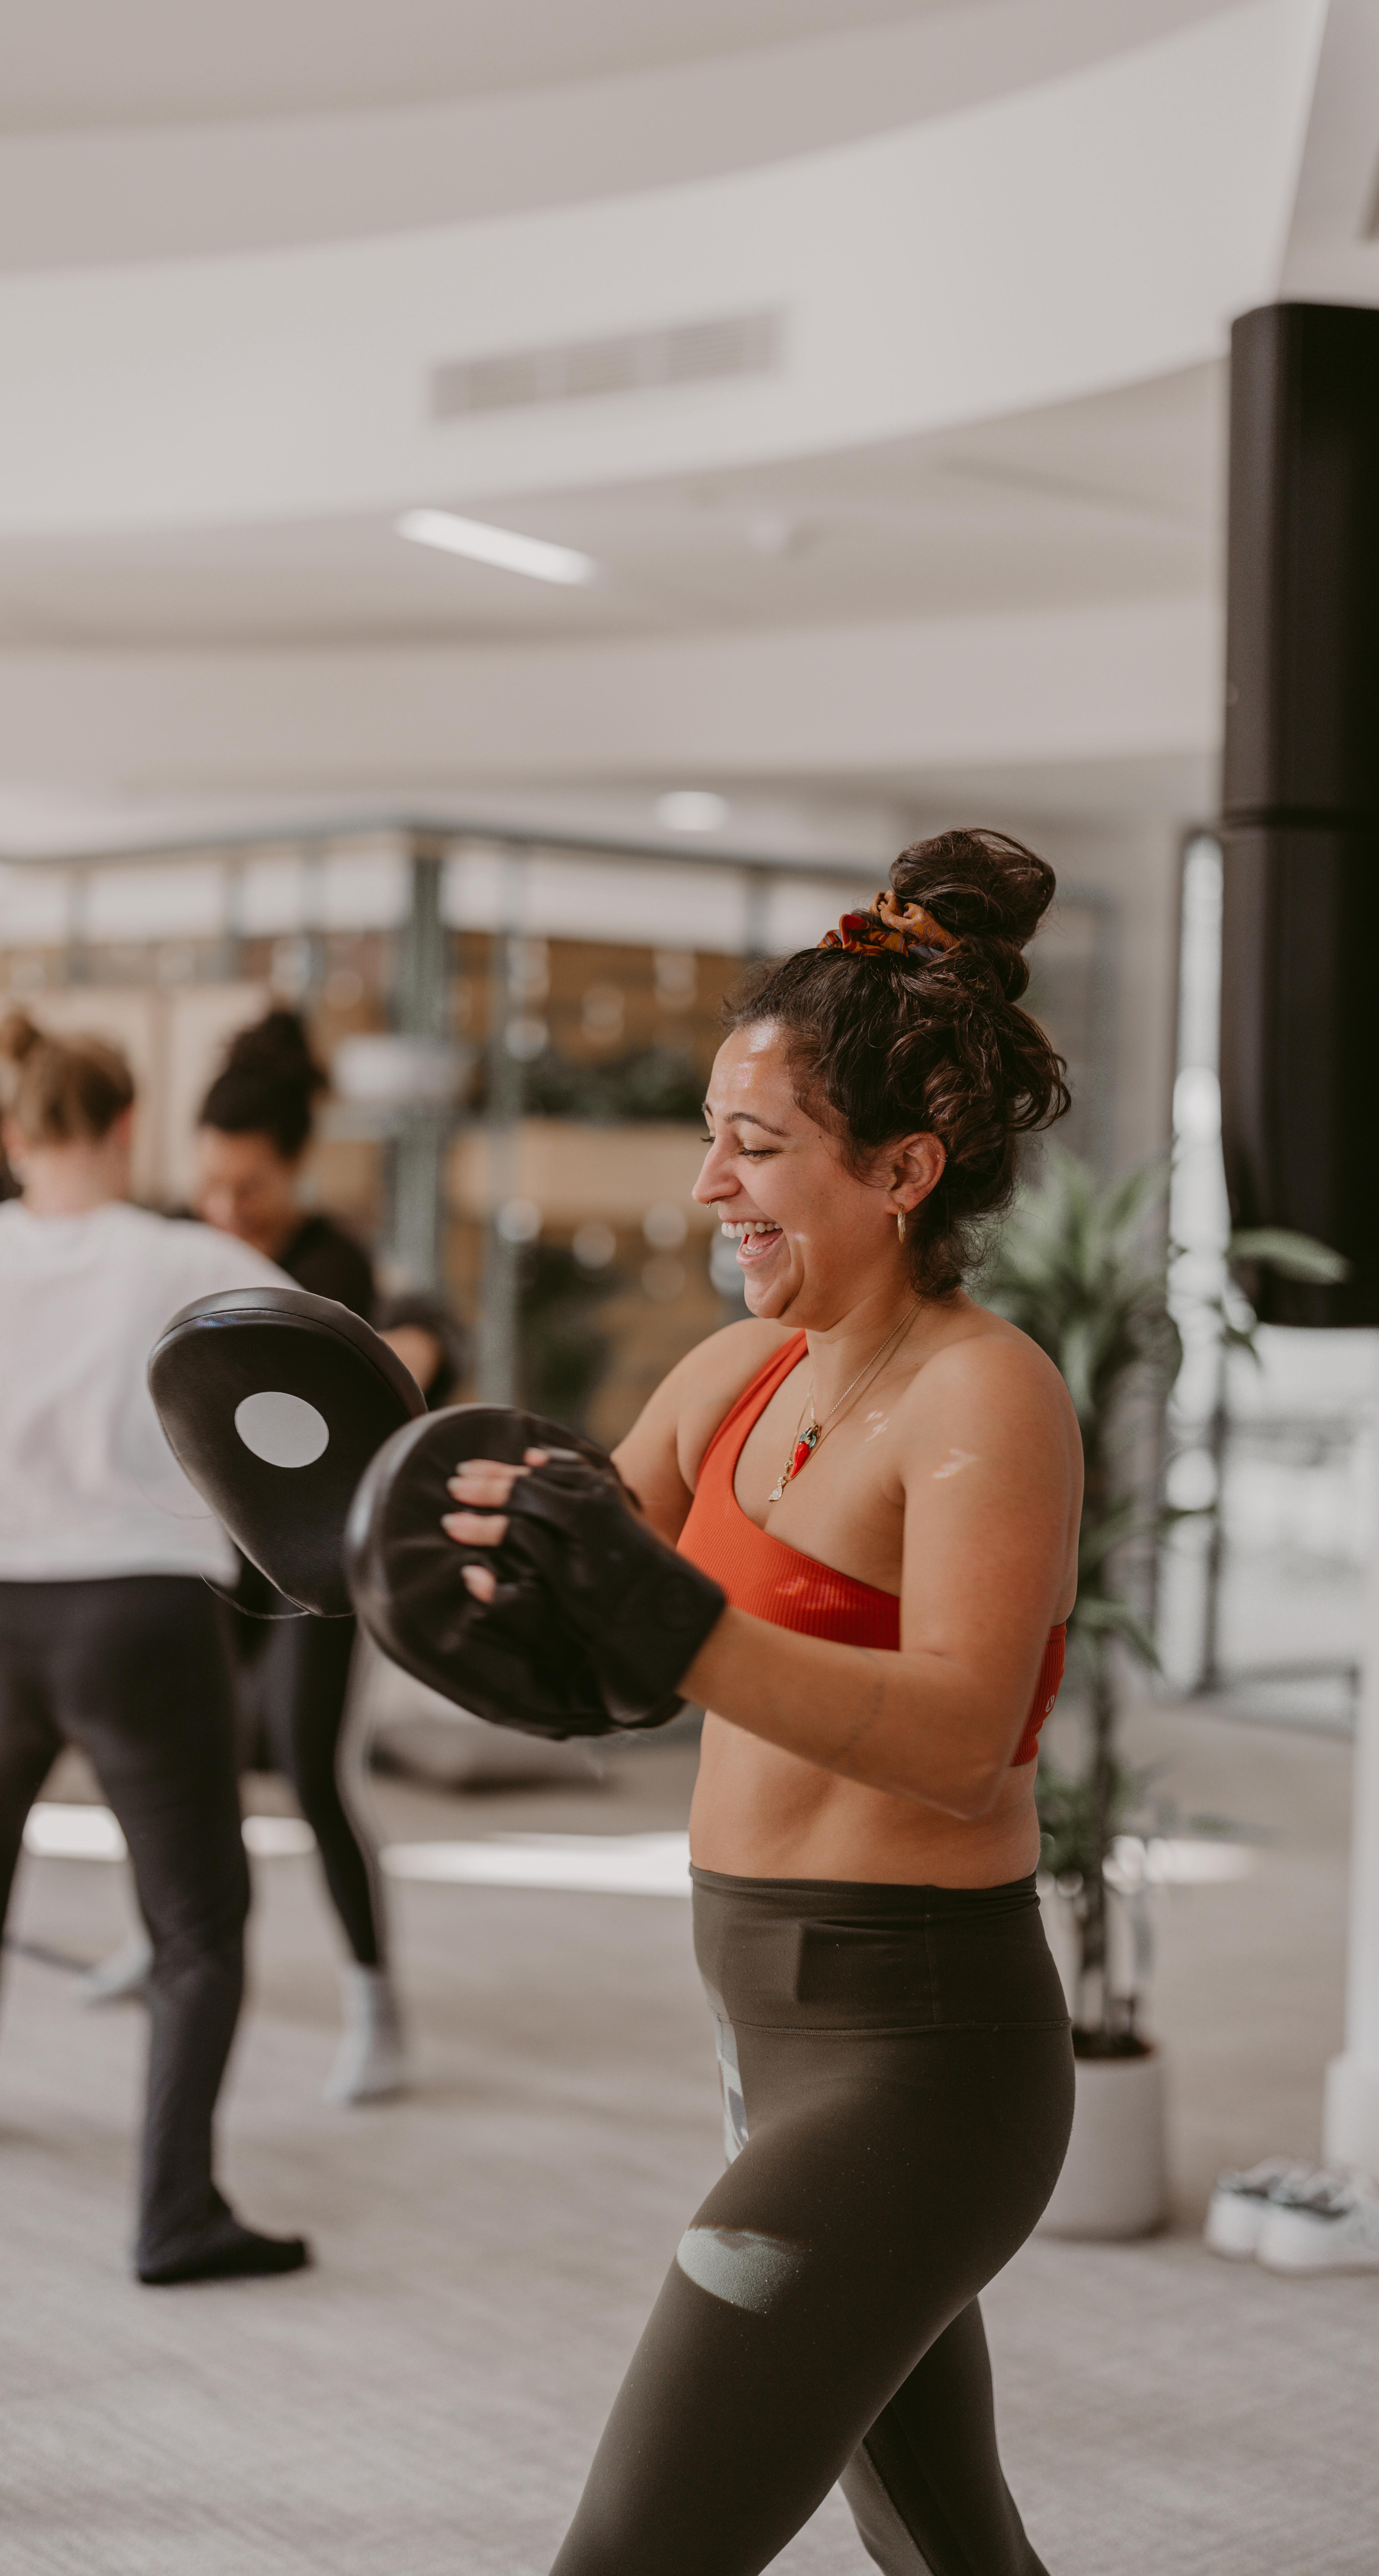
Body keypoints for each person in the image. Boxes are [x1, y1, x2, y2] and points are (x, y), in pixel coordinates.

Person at [440, 831, 1082, 2575]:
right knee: (950, 2547)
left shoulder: (985, 1399)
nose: (709, 1188)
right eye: (710, 1139)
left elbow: (962, 1740)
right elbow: (559, 1637)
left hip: (920, 2063)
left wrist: (672, 1629)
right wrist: (357, 1539)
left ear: (901, 1169)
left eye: (756, 1147)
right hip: (764, 2038)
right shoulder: (734, 1373)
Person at [0, 1010, 309, 2284]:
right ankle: (175, 2212)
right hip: (136, 1607)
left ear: (8, 1130)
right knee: (198, 1914)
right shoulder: (178, 1256)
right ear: (129, 1124)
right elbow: (323, 1362)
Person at [194, 1007, 407, 2104]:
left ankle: (375, 2002)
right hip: (211, 1557)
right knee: (199, 1768)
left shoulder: (336, 1264)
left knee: (312, 1774)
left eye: (251, 1192)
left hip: (316, 1566)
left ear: (296, 1169)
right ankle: (171, 1944)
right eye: (213, 1189)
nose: (229, 1213)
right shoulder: (192, 1251)